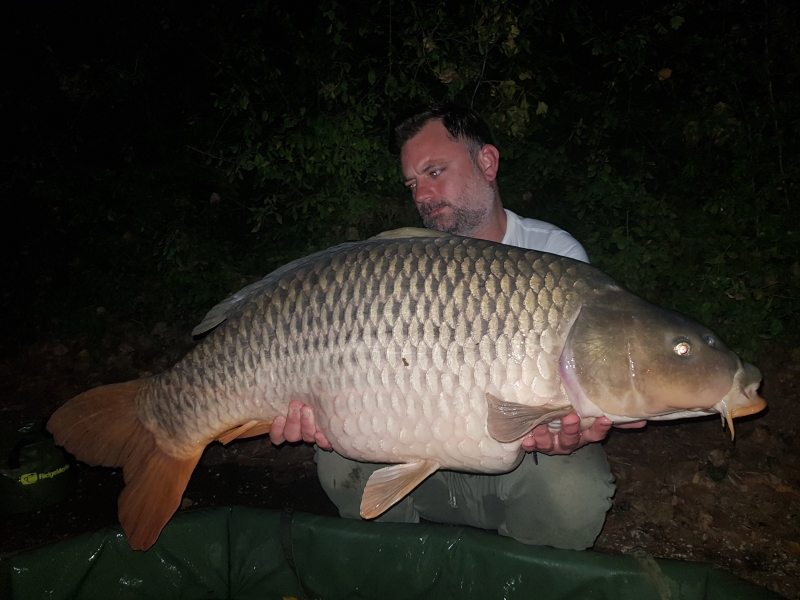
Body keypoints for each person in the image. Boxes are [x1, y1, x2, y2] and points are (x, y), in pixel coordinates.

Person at [269, 103, 644, 550]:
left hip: (514, 469)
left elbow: (575, 399)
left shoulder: (554, 256)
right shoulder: (395, 268)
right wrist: (316, 414)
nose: (422, 195)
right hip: (408, 453)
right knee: (334, 461)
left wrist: (568, 437)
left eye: (434, 171)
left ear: (487, 162)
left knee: (575, 489)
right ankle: (406, 568)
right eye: (412, 183)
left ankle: (511, 575)